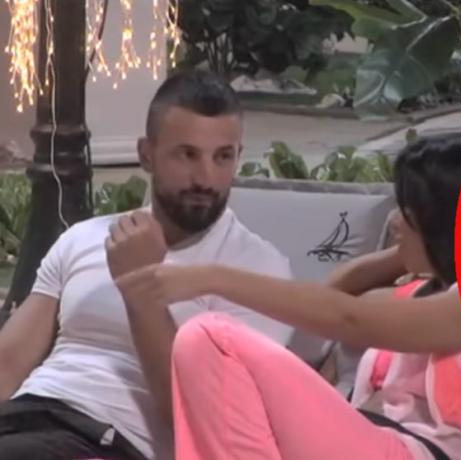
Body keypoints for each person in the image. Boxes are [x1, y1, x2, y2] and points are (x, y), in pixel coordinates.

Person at [114, 135, 461, 460]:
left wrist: (211, 278)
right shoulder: (422, 297)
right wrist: (416, 250)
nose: (394, 222)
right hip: (372, 437)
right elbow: (333, 296)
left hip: (419, 454)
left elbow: (349, 319)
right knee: (199, 348)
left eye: (408, 213)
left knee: (211, 337)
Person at [0, 70, 295, 459]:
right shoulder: (84, 238)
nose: (205, 178)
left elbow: (205, 420)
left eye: (223, 157)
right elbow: (9, 363)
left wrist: (140, 287)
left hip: (114, 442)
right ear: (146, 155)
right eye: (187, 154)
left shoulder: (257, 272)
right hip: (26, 417)